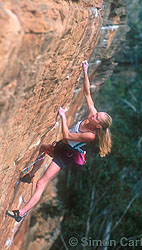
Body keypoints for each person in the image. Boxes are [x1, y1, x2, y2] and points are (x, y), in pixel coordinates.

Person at [6, 60, 112, 222]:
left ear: (98, 126)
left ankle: (21, 213)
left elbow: (69, 136)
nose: (94, 114)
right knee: (42, 148)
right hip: (63, 146)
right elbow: (87, 94)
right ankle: (30, 176)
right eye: (96, 114)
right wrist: (85, 71)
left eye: (96, 117)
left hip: (65, 156)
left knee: (42, 183)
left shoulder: (91, 135)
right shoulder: (92, 116)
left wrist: (63, 117)